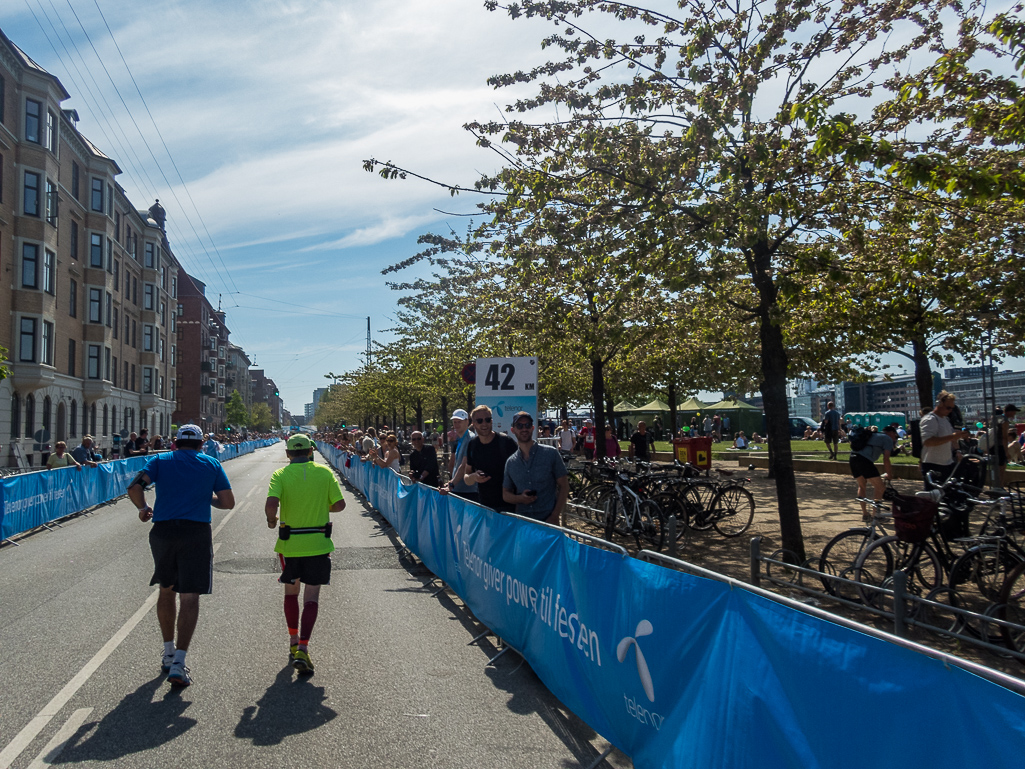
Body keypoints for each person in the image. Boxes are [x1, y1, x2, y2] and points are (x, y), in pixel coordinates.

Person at [127, 424, 235, 688]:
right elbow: (228, 502)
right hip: (195, 532)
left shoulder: (160, 460)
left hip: (163, 531)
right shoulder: (211, 464)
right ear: (200, 444)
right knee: (190, 595)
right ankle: (179, 663)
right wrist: (206, 498)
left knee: (166, 589)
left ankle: (167, 652)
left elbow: (134, 487)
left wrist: (143, 508)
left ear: (175, 442)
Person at [265, 433, 345, 674]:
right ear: (311, 451)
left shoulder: (280, 475)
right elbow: (340, 505)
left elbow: (271, 504)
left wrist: (272, 520)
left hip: (290, 545)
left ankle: (292, 640)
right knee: (311, 597)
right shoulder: (324, 473)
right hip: (319, 543)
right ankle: (303, 647)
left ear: (288, 454)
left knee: (291, 592)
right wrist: (323, 505)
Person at [502, 412, 569, 524]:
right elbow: (506, 494)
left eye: (527, 425)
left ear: (533, 428)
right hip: (523, 524)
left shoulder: (551, 454)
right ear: (513, 430)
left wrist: (555, 515)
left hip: (549, 522)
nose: (524, 429)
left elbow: (564, 486)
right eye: (519, 425)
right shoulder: (511, 462)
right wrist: (520, 499)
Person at [452, 405, 517, 512]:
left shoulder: (506, 442)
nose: (484, 424)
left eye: (487, 420)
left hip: (509, 508)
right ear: (473, 423)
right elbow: (467, 477)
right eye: (480, 421)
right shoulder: (472, 445)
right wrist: (474, 477)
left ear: (491, 421)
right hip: (485, 507)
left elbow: (520, 471)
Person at [920, 391, 970, 486]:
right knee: (934, 497)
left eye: (952, 408)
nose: (950, 410)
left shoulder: (945, 419)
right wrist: (953, 436)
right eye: (948, 407)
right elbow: (928, 441)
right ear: (939, 404)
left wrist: (957, 451)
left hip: (947, 464)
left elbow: (952, 438)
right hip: (933, 464)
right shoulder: (930, 419)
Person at [849, 424, 898, 521]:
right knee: (880, 488)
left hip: (853, 458)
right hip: (865, 461)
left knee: (862, 486)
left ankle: (865, 514)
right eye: (895, 435)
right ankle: (876, 515)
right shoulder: (887, 439)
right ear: (891, 433)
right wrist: (889, 474)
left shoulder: (873, 435)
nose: (895, 438)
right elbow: (886, 459)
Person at [447, 409, 477, 501]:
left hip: (467, 491)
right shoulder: (461, 439)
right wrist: (451, 482)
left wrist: (452, 484)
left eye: (459, 422)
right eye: (454, 422)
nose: (456, 425)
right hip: (459, 489)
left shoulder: (470, 439)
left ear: (467, 421)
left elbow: (464, 465)